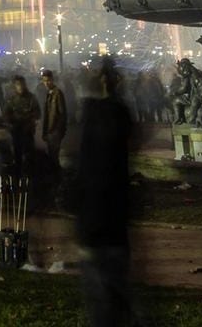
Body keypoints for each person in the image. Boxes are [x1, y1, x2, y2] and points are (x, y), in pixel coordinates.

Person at [73, 59, 141, 327]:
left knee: (104, 295)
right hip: (114, 218)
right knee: (116, 290)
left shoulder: (98, 115)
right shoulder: (117, 113)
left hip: (97, 221)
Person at [4, 74, 40, 172]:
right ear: (15, 86)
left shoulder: (31, 97)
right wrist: (10, 124)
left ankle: (31, 172)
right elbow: (6, 114)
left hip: (27, 130)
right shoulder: (12, 99)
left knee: (29, 154)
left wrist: (30, 122)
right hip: (16, 131)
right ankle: (18, 171)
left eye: (22, 84)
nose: (20, 86)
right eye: (18, 84)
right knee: (17, 153)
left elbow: (37, 113)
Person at [40, 70, 69, 165]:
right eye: (44, 81)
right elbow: (47, 115)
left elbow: (62, 114)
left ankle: (56, 176)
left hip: (55, 131)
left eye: (48, 80)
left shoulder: (57, 93)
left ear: (52, 80)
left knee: (54, 157)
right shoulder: (49, 94)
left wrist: (59, 131)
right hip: (50, 131)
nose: (46, 83)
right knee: (51, 156)